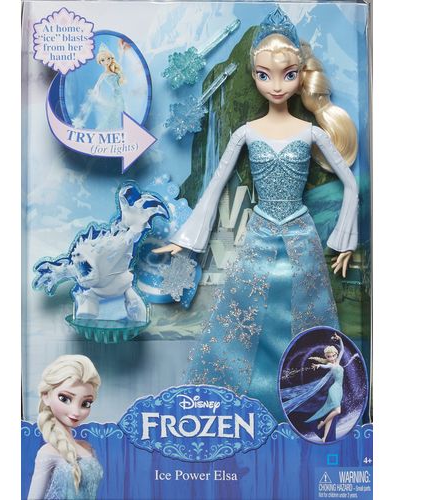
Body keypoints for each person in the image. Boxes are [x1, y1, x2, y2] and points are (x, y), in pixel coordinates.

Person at [154, 7, 358, 420]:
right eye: (265, 75)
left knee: (305, 319)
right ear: (254, 75)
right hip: (261, 233)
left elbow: (350, 185)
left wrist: (343, 241)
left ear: (300, 74)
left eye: (287, 74)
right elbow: (215, 186)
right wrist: (186, 239)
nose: (276, 85)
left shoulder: (311, 132)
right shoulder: (246, 133)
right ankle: (238, 411)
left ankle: (307, 407)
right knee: (242, 320)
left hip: (300, 238)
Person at [28, 355, 103, 500]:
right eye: (65, 399)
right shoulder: (47, 453)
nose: (76, 412)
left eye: (85, 403)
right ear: (46, 396)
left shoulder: (88, 448)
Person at [72, 43, 125, 130]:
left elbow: (120, 64)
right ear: (100, 62)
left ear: (111, 58)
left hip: (119, 98)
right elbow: (97, 86)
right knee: (112, 117)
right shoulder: (103, 75)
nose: (106, 61)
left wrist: (122, 52)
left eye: (108, 59)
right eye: (103, 60)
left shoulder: (115, 72)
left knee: (119, 117)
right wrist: (95, 93)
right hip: (114, 99)